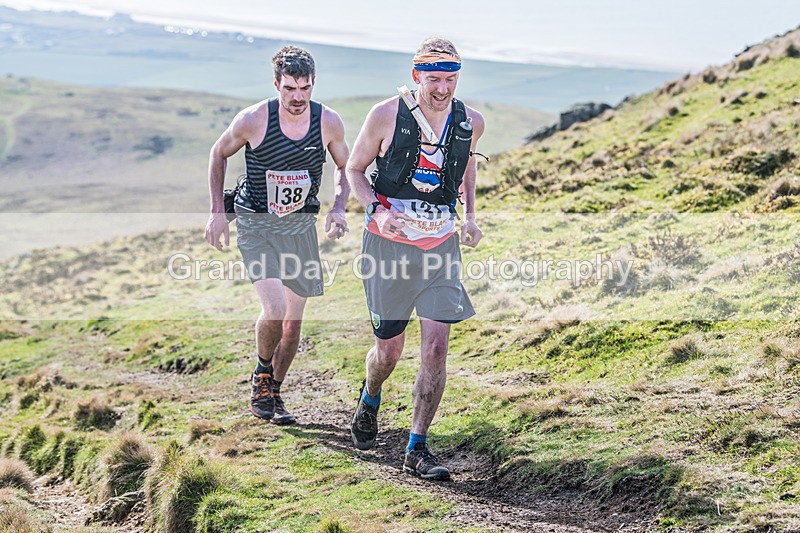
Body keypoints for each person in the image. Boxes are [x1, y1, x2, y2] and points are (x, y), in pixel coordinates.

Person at [346, 37, 484, 480]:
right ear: (415, 76)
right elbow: (354, 170)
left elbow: (465, 166)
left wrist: (471, 217)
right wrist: (378, 209)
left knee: (437, 348)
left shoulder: (470, 121)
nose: (442, 88)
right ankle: (370, 397)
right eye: (433, 79)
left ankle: (417, 447)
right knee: (388, 352)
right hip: (387, 248)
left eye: (450, 79)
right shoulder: (387, 114)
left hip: (440, 248)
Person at [205, 45, 350, 425]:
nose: (298, 96)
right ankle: (261, 374)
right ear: (277, 84)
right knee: (275, 308)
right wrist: (217, 213)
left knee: (293, 324)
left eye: (305, 87)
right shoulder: (254, 119)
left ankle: (276, 391)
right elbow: (218, 153)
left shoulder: (328, 122)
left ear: (314, 84)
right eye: (290, 88)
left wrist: (338, 206)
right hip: (257, 224)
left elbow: (345, 167)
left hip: (300, 228)